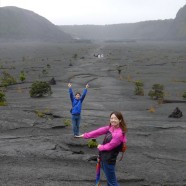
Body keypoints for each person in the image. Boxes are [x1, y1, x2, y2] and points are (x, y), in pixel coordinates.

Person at [75, 111, 127, 186]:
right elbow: (98, 131)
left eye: (115, 118)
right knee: (110, 181)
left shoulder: (119, 134)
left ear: (120, 120)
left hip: (109, 160)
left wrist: (100, 147)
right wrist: (85, 135)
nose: (113, 120)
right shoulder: (110, 128)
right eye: (111, 118)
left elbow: (110, 146)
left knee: (112, 182)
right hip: (104, 158)